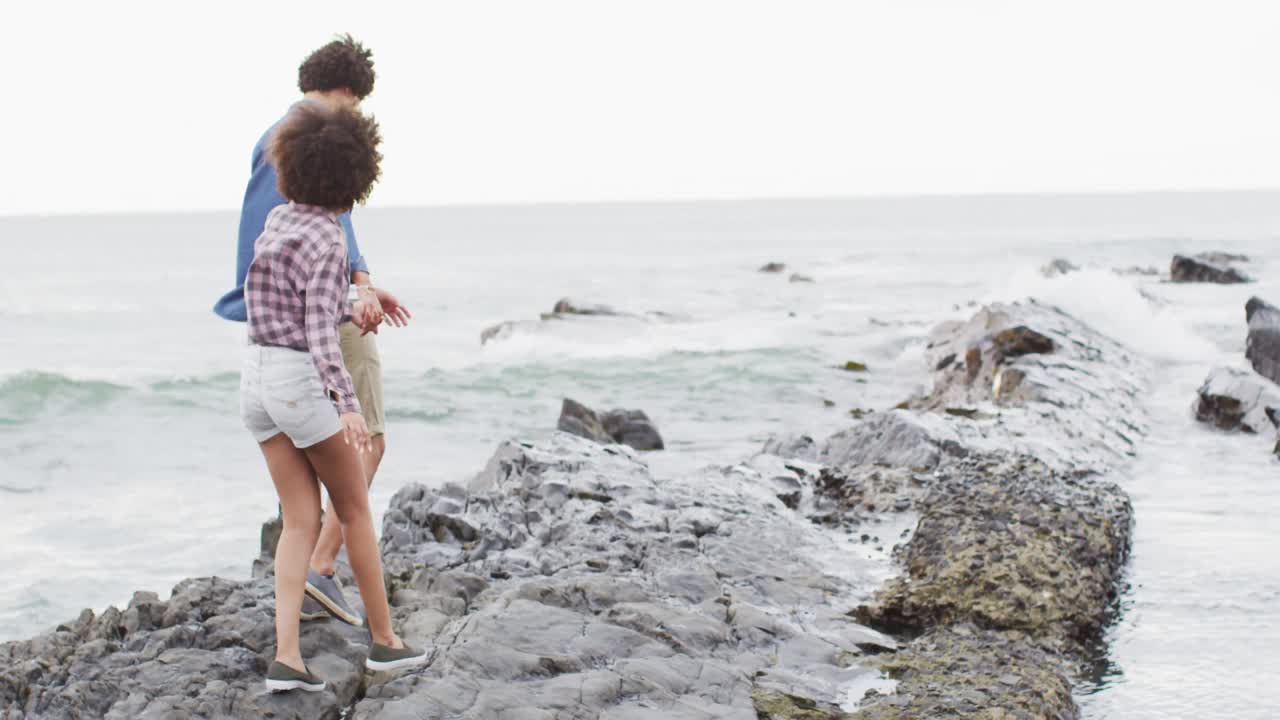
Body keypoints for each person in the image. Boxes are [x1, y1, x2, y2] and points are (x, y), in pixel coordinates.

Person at [214, 35, 410, 627]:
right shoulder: (303, 137)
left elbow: (295, 228)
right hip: (317, 317)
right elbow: (309, 233)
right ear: (349, 93)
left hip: (294, 327)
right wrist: (353, 295)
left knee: (312, 480)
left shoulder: (292, 136)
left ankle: (296, 626)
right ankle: (332, 580)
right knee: (367, 440)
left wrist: (365, 279)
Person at [240, 101, 426, 692]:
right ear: (355, 180)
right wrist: (347, 402)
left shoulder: (278, 221)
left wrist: (362, 300)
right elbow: (321, 335)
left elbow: (297, 305)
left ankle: (287, 659)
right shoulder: (329, 238)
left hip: (255, 383)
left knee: (299, 519)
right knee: (353, 511)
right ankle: (386, 644)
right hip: (299, 385)